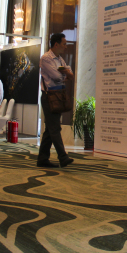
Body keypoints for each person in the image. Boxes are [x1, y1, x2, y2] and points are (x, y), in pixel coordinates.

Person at [38, 33, 74, 168]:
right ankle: (63, 157)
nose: (66, 47)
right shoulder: (46, 58)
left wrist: (65, 73)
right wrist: (65, 74)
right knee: (54, 128)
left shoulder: (59, 59)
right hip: (49, 97)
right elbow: (57, 77)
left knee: (50, 129)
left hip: (58, 96)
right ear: (56, 44)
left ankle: (42, 159)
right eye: (64, 44)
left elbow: (69, 72)